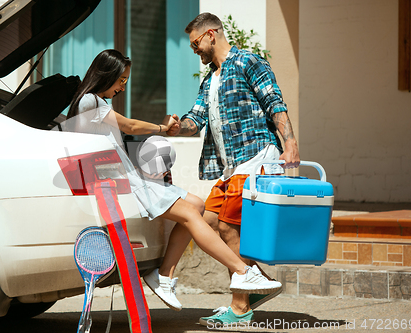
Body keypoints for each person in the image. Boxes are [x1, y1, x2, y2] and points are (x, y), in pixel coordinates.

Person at [65, 49, 281, 314]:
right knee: (191, 214)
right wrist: (162, 128)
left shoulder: (96, 103)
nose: (122, 87)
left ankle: (163, 275)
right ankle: (241, 270)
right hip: (120, 183)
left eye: (126, 81)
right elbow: (129, 126)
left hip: (128, 176)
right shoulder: (89, 101)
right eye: (121, 80)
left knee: (197, 204)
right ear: (105, 74)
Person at [166, 13, 300, 326]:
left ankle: (240, 307)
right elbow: (195, 119)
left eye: (195, 43)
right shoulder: (209, 79)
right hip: (229, 167)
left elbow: (274, 102)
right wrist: (175, 127)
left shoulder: (247, 62)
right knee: (206, 222)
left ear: (211, 34)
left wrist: (290, 142)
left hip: (256, 156)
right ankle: (258, 283)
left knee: (228, 226)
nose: (194, 50)